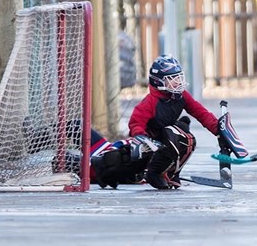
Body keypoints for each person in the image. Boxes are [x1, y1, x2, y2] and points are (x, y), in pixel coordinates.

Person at [90, 54, 237, 190]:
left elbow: (201, 113)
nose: (178, 81)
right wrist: (143, 139)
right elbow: (135, 123)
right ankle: (154, 173)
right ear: (159, 81)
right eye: (172, 79)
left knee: (187, 139)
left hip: (164, 138)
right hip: (148, 146)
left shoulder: (181, 95)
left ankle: (171, 174)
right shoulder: (150, 102)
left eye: (179, 77)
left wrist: (218, 131)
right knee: (176, 135)